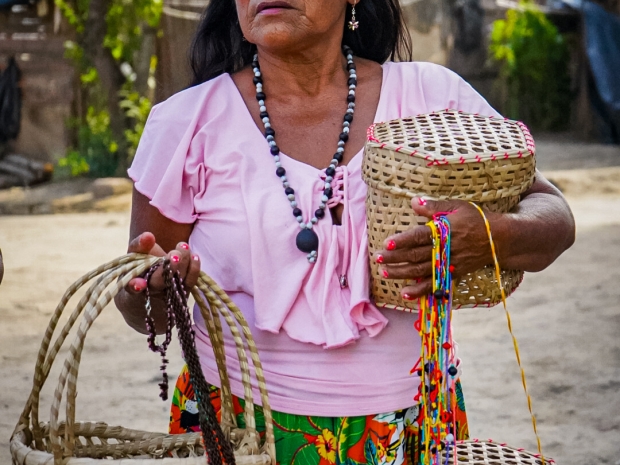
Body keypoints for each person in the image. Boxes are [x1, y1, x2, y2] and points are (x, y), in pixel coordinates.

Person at [115, 0, 576, 463]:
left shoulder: (431, 99)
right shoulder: (186, 123)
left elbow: (554, 216)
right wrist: (150, 293)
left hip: (413, 426)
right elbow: (143, 306)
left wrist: (491, 237)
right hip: (238, 429)